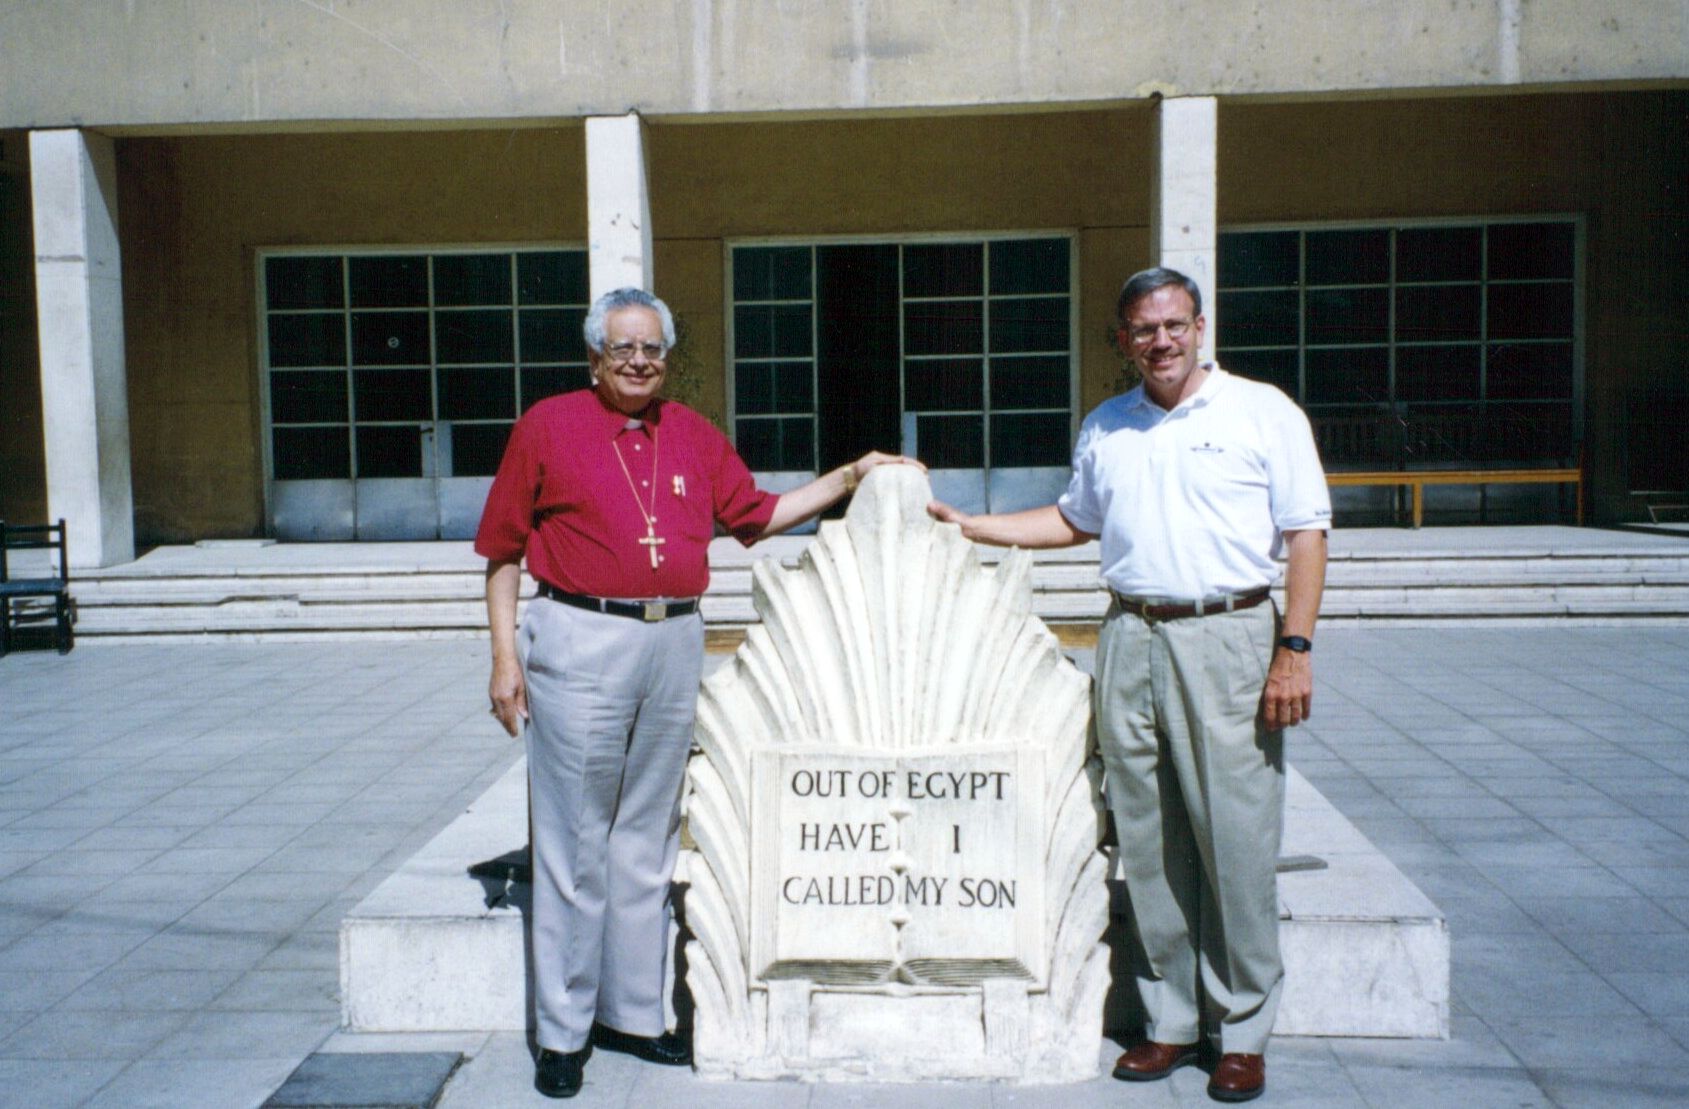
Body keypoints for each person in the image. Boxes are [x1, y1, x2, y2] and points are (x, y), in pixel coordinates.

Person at [476, 286, 918, 1099]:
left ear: (667, 356)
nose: (639, 361)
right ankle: (565, 1031)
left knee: (646, 836)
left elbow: (756, 513)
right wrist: (505, 658)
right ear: (593, 359)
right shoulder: (549, 424)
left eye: (652, 348)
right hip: (579, 635)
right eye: (622, 349)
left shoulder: (691, 433)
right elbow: (502, 550)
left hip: (674, 636)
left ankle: (635, 1015)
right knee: (574, 839)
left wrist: (852, 473)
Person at [928, 267, 1329, 1103]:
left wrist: (1293, 648)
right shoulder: (1108, 424)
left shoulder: (1261, 412)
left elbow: (1304, 533)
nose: (1160, 341)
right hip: (1129, 633)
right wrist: (971, 525)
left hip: (1229, 634)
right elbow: (1074, 520)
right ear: (1122, 339)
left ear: (1199, 326)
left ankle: (1242, 1027)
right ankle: (1171, 1020)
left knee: (1235, 836)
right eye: (1143, 329)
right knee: (1145, 837)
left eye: (1174, 325)